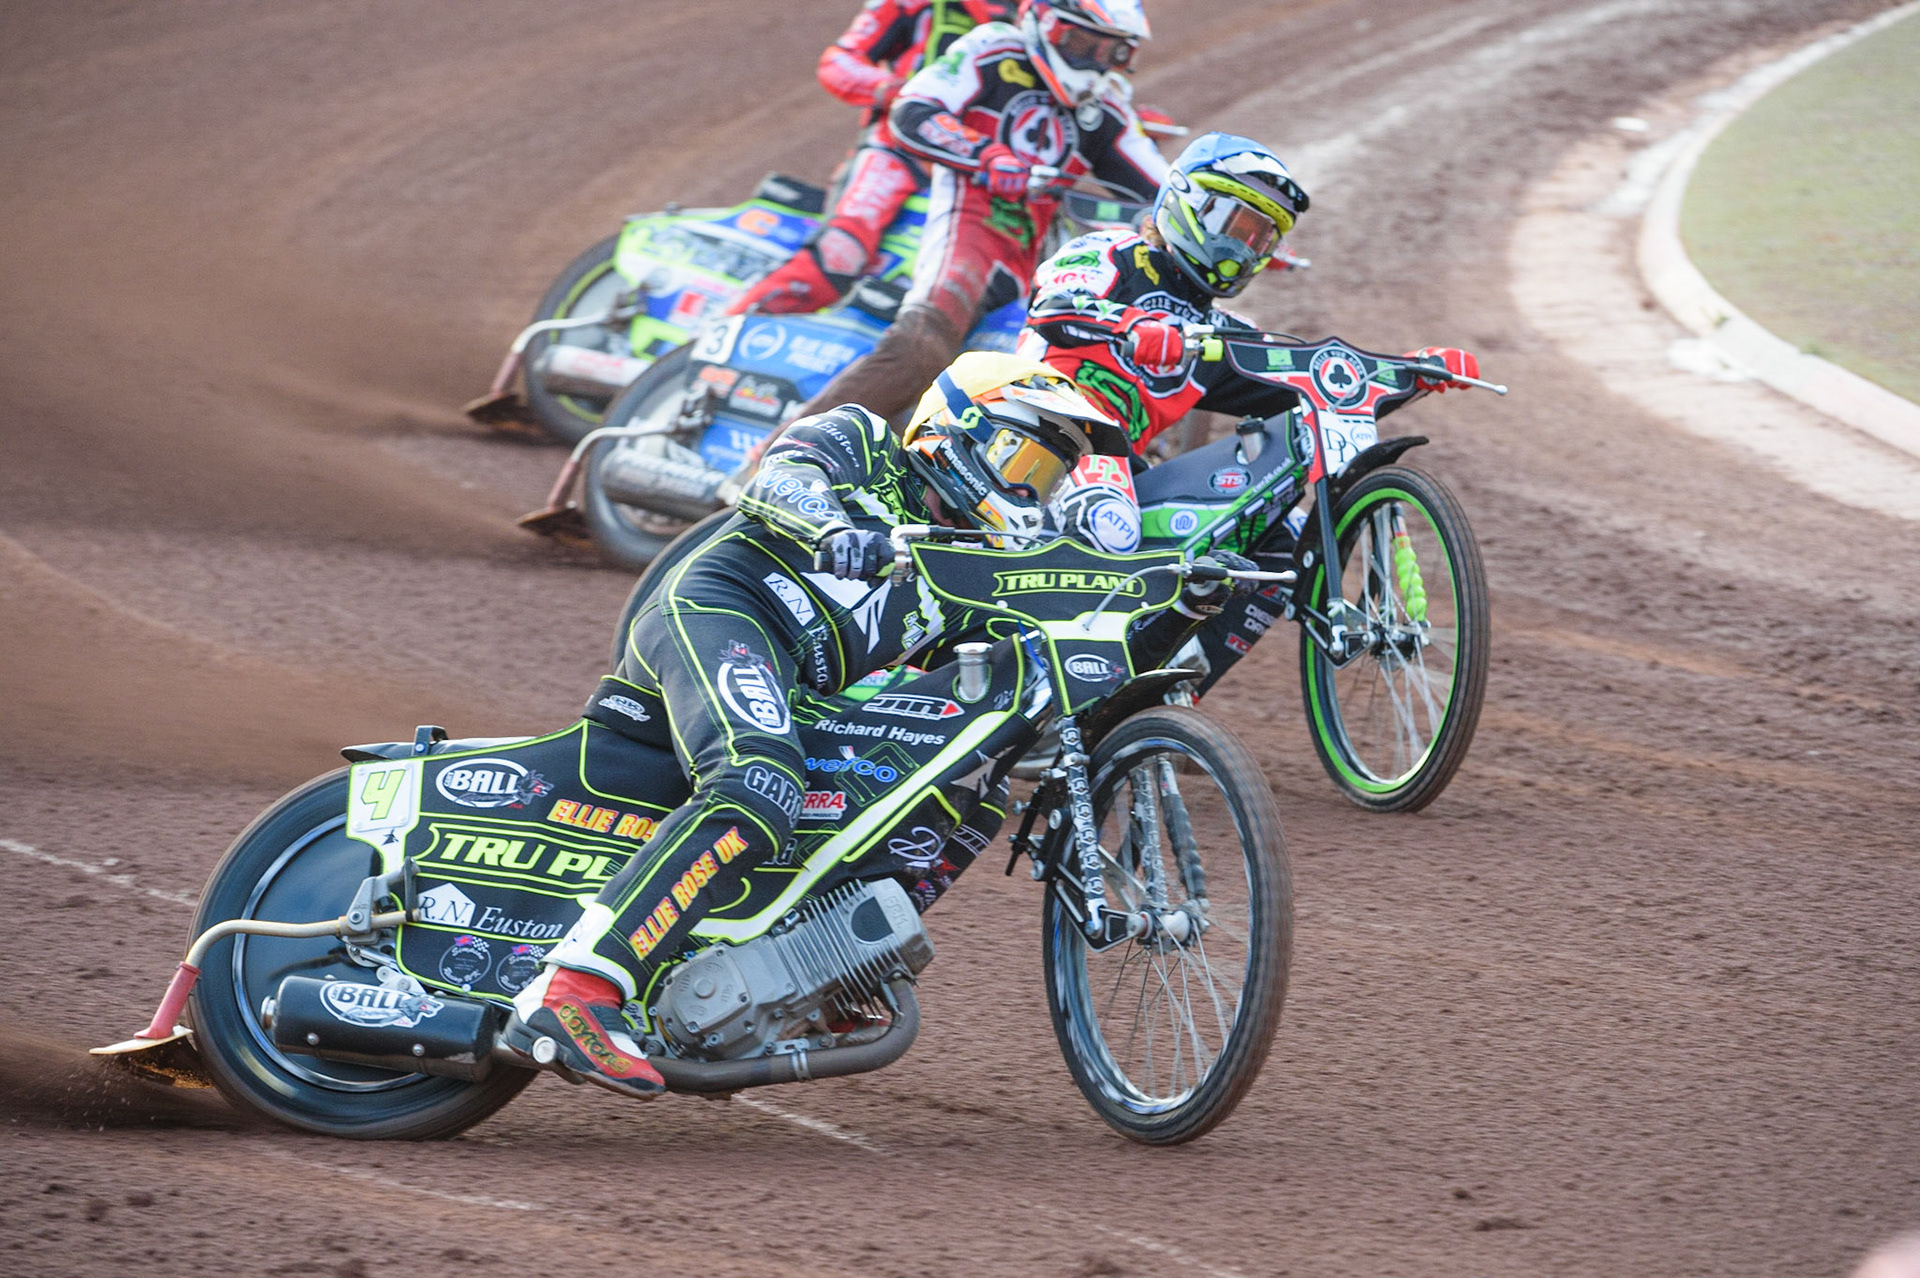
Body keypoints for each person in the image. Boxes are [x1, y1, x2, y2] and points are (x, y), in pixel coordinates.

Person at [503, 354, 1131, 1096]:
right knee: (758, 783)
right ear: (958, 432)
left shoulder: (970, 565)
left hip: (792, 684)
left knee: (970, 778)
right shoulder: (865, 441)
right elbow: (775, 478)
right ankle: (571, 992)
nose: (1030, 488)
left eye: (1048, 476)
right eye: (1021, 457)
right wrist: (836, 526)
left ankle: (816, 967)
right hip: (720, 609)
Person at [793, 0, 1167, 425]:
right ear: (1045, 23)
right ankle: (779, 460)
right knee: (922, 346)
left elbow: (1163, 184)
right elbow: (915, 108)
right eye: (1083, 43)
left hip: (1036, 256)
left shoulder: (1107, 103)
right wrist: (985, 155)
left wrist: (1232, 221)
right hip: (966, 225)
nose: (1095, 62)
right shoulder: (994, 47)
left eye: (1112, 52)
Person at [1020, 130, 1482, 454]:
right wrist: (1134, 325)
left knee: (1269, 537)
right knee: (1109, 515)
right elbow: (1053, 306)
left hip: (1115, 467)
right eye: (1235, 225)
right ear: (1188, 201)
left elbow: (1317, 388)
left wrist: (1409, 373)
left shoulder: (1222, 332)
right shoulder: (1110, 252)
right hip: (1030, 435)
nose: (1241, 249)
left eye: (1261, 238)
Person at [729, 1, 1018, 317]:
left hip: (992, 169)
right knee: (841, 251)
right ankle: (718, 340)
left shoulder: (1052, 19)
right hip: (898, 152)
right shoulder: (915, 5)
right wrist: (895, 90)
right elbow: (839, 60)